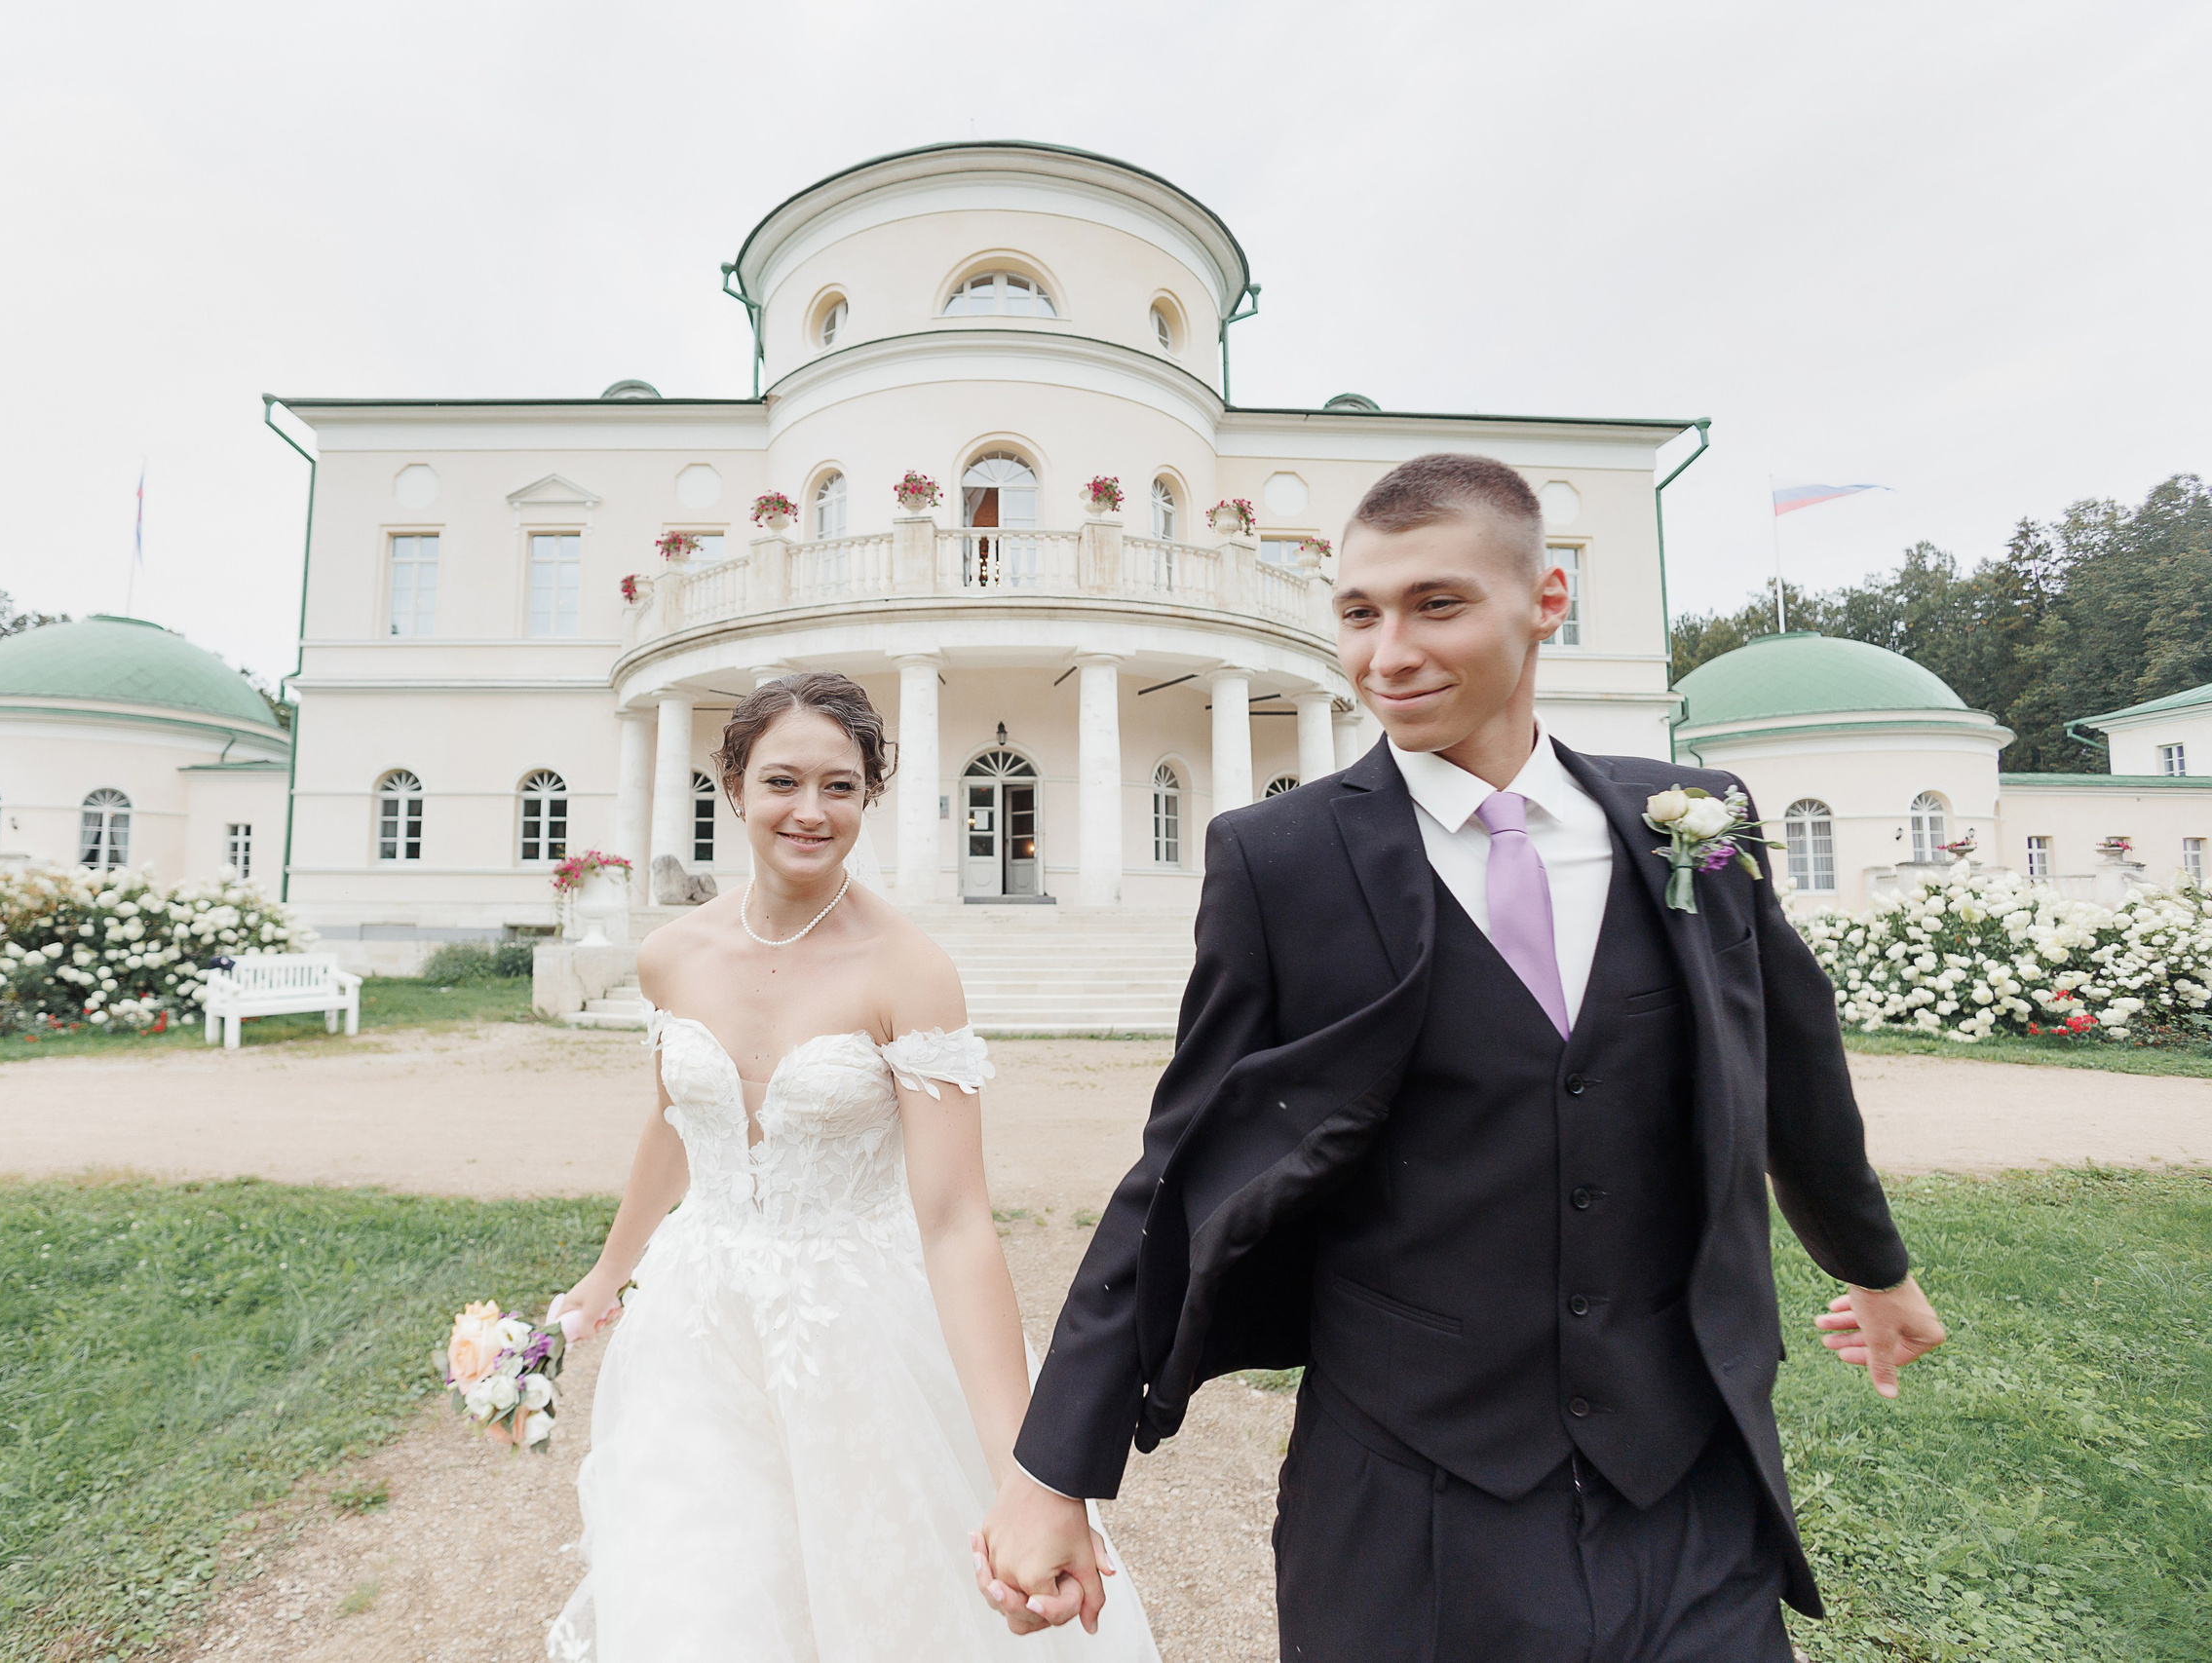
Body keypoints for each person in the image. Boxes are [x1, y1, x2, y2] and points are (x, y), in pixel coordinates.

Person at [975, 456, 1948, 1659]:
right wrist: (1051, 1470)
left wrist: (1874, 1268)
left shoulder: (1692, 822)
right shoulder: (1278, 861)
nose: (1387, 654)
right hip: (1409, 1502)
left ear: (1546, 600)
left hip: (1685, 1479)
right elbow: (1181, 1166)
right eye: (1357, 613)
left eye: (1436, 605)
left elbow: (1790, 1070)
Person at [544, 671, 1158, 1662]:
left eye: (839, 786)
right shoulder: (671, 955)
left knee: (886, 1605)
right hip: (696, 1336)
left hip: (857, 1336)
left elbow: (956, 1222)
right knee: (701, 1602)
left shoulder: (907, 971)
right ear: (734, 783)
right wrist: (609, 1272)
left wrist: (1019, 1469)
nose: (809, 810)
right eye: (782, 780)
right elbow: (674, 1123)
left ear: (870, 796)